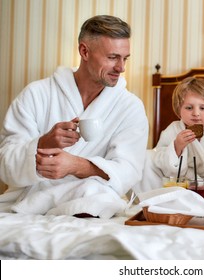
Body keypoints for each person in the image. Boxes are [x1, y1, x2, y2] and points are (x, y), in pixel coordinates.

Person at [0, 15, 148, 218]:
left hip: (91, 203)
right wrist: (44, 143)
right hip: (29, 203)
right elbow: (5, 164)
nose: (121, 68)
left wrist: (76, 165)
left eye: (125, 58)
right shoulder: (36, 94)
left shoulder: (130, 107)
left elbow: (129, 170)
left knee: (100, 198)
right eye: (113, 57)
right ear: (84, 51)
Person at [136, 77, 204, 193]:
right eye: (189, 108)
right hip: (179, 183)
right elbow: (160, 160)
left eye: (202, 108)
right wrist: (177, 147)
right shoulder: (173, 130)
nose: (196, 113)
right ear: (179, 109)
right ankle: (151, 199)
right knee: (146, 156)